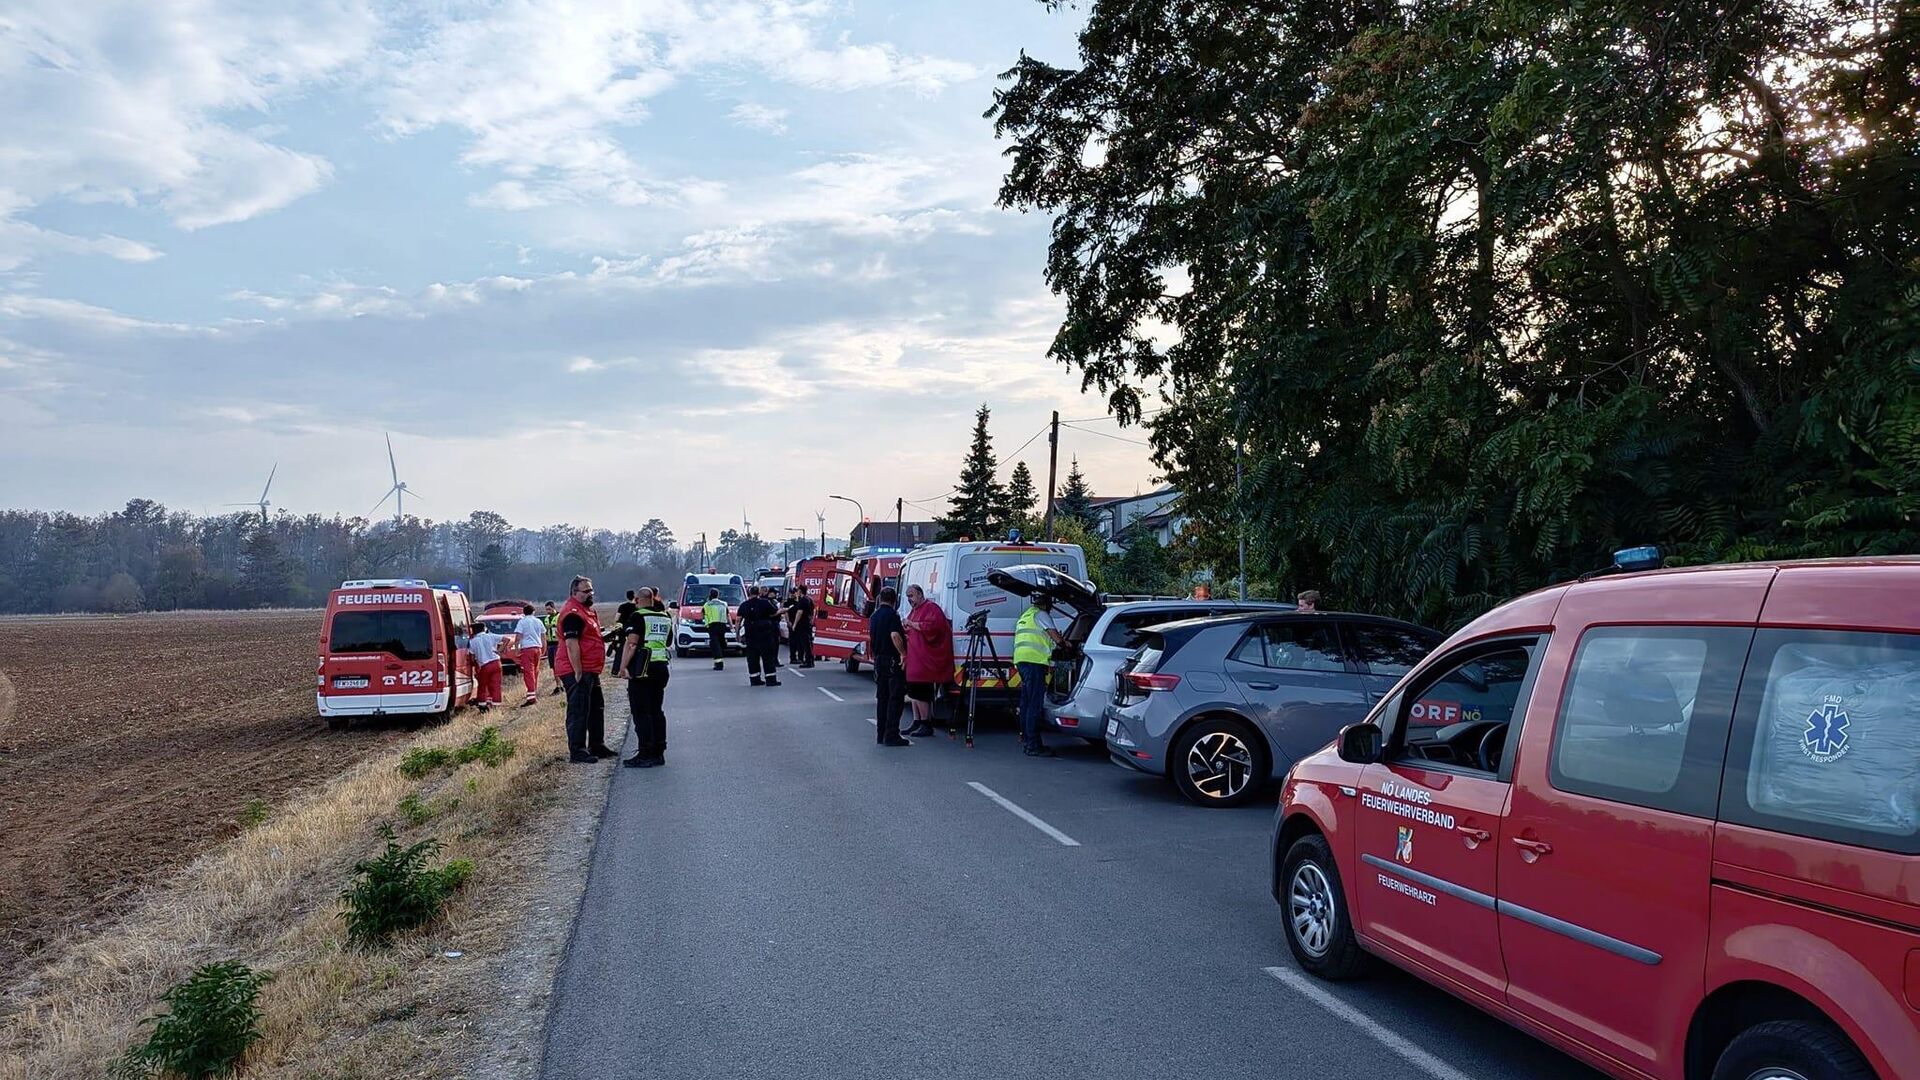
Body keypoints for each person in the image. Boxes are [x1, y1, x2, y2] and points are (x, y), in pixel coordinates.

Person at [553, 575, 614, 764]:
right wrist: (578, 670)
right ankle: (577, 750)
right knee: (579, 710)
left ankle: (597, 744)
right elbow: (572, 645)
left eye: (591, 590)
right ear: (574, 593)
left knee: (596, 707)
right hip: (576, 669)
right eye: (586, 591)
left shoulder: (585, 611)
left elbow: (589, 639)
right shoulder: (573, 613)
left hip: (590, 669)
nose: (590, 594)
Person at [617, 586, 673, 768]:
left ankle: (645, 752)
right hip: (661, 667)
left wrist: (623, 667)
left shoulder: (638, 616)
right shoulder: (665, 617)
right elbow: (669, 641)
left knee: (641, 712)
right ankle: (658, 751)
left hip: (642, 669)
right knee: (656, 710)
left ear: (637, 600)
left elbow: (632, 644)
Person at [1013, 594, 1063, 757]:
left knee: (1027, 703)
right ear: (1047, 604)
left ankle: (1027, 740)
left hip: (1022, 661)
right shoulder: (1041, 615)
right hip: (1034, 662)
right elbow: (1056, 637)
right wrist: (1066, 644)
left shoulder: (1026, 615)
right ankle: (1033, 745)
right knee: (1034, 704)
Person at [901, 584, 952, 738]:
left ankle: (925, 723)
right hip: (916, 659)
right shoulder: (915, 610)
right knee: (914, 692)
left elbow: (933, 628)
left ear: (920, 594)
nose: (909, 599)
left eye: (911, 596)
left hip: (926, 661)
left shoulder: (931, 608)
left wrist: (911, 624)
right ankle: (917, 721)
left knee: (922, 692)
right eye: (908, 596)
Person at [869, 586, 910, 747]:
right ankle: (892, 734)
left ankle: (881, 733)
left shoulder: (874, 616)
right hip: (892, 660)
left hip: (879, 660)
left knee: (882, 698)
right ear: (894, 600)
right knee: (895, 698)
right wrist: (903, 653)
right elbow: (894, 635)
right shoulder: (892, 615)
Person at [737, 585, 782, 686]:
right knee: (768, 657)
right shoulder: (765, 603)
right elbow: (774, 613)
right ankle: (770, 680)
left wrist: (737, 634)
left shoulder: (744, 605)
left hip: (750, 635)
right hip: (765, 634)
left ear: (749, 593)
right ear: (758, 593)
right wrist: (782, 611)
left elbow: (739, 620)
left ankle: (755, 679)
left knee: (752, 657)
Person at [466, 622, 509, 711]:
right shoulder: (490, 636)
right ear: (484, 629)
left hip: (484, 665)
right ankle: (496, 705)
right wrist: (500, 651)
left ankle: (482, 706)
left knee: (482, 685)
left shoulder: (472, 642)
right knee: (496, 685)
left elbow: (472, 657)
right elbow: (507, 639)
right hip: (496, 663)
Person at [512, 602, 545, 706]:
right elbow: (543, 636)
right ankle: (534, 691)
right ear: (533, 612)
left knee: (528, 671)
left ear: (524, 612)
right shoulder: (538, 621)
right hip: (537, 648)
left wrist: (516, 649)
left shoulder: (522, 622)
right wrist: (543, 648)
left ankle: (531, 696)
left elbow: (518, 637)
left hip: (527, 648)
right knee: (535, 670)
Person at [785, 588, 815, 668]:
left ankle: (808, 661)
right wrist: (811, 620)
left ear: (800, 592)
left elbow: (799, 612)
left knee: (805, 643)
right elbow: (813, 611)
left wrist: (794, 624)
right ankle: (810, 660)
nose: (796, 593)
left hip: (802, 624)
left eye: (797, 591)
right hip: (807, 623)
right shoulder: (809, 599)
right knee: (808, 642)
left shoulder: (802, 600)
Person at [702, 588, 729, 670]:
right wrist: (731, 626)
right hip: (722, 625)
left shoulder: (707, 605)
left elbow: (703, 615)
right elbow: (728, 615)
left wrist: (706, 625)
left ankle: (719, 663)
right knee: (721, 643)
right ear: (718, 595)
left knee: (715, 645)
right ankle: (720, 656)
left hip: (712, 626)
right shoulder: (724, 604)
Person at [542, 601, 562, 695]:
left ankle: (564, 684)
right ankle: (558, 686)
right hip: (550, 643)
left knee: (560, 665)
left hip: (558, 643)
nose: (548, 611)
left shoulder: (559, 617)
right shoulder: (546, 619)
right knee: (553, 666)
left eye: (549, 609)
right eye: (546, 609)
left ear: (554, 608)